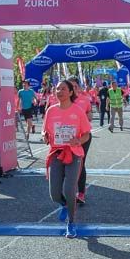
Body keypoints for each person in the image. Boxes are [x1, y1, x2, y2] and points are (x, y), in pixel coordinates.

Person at [43, 81, 92, 237]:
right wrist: (44, 136)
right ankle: (64, 204)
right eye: (57, 89)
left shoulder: (78, 111)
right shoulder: (51, 110)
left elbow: (87, 134)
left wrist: (78, 141)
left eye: (63, 89)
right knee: (54, 194)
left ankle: (71, 222)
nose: (59, 91)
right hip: (56, 152)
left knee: (70, 190)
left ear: (71, 92)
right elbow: (45, 132)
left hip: (73, 153)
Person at [67, 77, 93, 205]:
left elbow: (90, 116)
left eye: (75, 86)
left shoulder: (85, 99)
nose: (73, 89)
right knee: (66, 163)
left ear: (78, 87)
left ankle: (81, 192)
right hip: (66, 137)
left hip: (83, 137)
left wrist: (82, 116)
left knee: (79, 163)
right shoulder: (63, 100)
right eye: (70, 87)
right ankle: (68, 191)